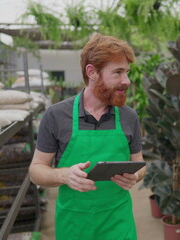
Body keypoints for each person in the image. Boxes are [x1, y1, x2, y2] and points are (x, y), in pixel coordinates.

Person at [29, 33, 146, 240]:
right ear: (92, 72)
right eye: (118, 72)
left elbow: (139, 162)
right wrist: (64, 175)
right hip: (75, 224)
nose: (126, 80)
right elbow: (36, 171)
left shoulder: (129, 116)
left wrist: (135, 176)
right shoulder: (56, 115)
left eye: (127, 72)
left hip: (118, 223)